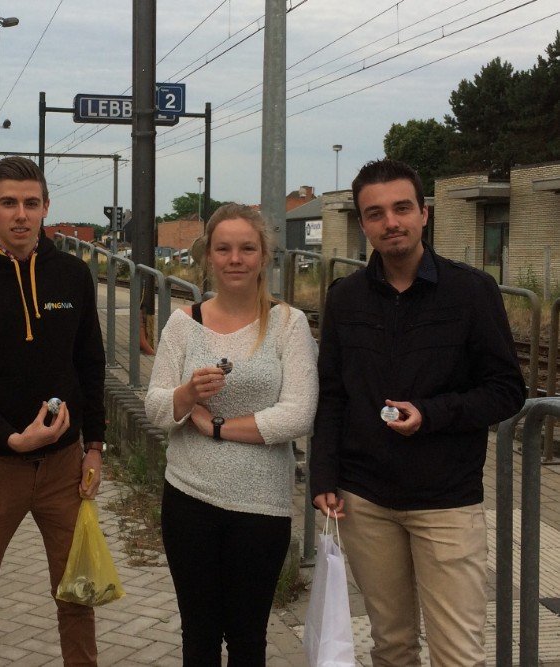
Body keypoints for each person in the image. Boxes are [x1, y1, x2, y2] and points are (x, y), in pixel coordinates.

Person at [310, 159, 526, 666]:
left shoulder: (471, 292)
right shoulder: (345, 298)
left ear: (424, 213)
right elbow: (333, 393)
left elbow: (505, 391)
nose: (392, 222)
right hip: (365, 501)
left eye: (402, 208)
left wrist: (430, 414)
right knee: (392, 645)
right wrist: (323, 474)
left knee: (457, 653)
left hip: (446, 502)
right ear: (363, 224)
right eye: (376, 213)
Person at [0, 156, 105, 666]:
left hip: (64, 469)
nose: (21, 214)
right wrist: (11, 438)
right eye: (8, 202)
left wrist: (95, 447)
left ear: (46, 208)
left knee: (77, 595)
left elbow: (91, 366)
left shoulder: (74, 275)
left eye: (31, 203)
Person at [144, 203, 318, 665]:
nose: (235, 259)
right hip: (189, 498)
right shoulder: (183, 323)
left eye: (246, 248)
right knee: (198, 637)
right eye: (223, 249)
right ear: (208, 257)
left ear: (264, 256)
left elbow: (300, 414)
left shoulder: (288, 324)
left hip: (261, 506)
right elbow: (156, 406)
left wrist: (218, 426)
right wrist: (186, 395)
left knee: (247, 639)